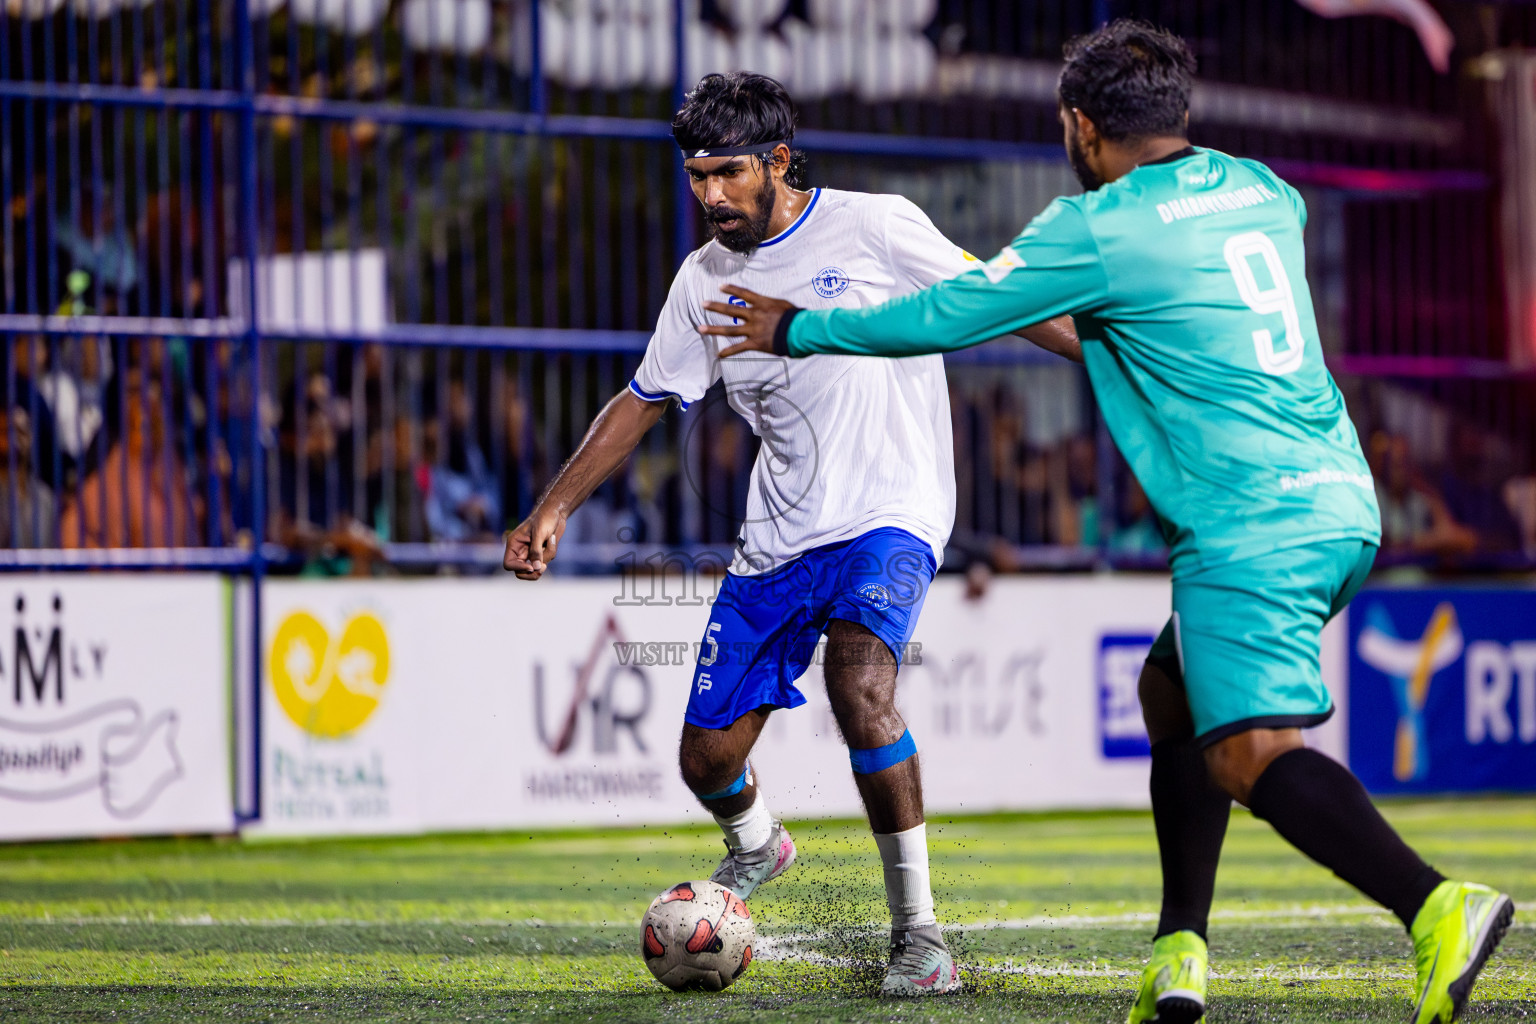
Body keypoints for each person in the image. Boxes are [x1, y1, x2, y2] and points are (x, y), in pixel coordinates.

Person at [703, 22, 1512, 1024]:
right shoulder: (1263, 190)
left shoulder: (1097, 229)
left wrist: (797, 326)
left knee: (1246, 755)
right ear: (1182, 112)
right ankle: (1179, 952)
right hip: (1341, 501)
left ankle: (1435, 905)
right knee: (1169, 693)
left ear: (1082, 127)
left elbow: (946, 312)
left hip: (1248, 522)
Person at [503, 71, 1077, 996]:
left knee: (861, 687)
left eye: (727, 172)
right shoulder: (704, 278)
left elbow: (995, 298)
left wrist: (1115, 357)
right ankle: (758, 845)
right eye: (696, 176)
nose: (710, 195)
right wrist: (555, 505)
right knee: (707, 760)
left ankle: (920, 938)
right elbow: (644, 398)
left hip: (892, 513)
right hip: (777, 540)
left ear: (777, 159)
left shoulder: (876, 226)